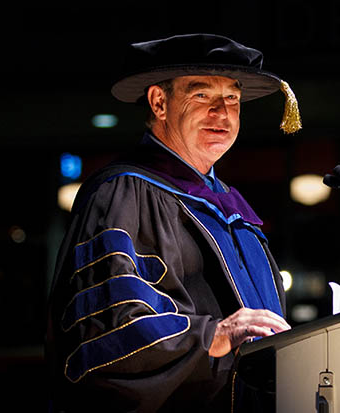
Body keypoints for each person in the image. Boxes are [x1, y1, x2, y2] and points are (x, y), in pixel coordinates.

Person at [45, 33, 302, 412]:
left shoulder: (231, 207)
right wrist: (212, 336)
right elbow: (109, 329)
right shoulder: (123, 195)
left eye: (232, 98)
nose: (223, 113)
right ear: (159, 102)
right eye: (202, 96)